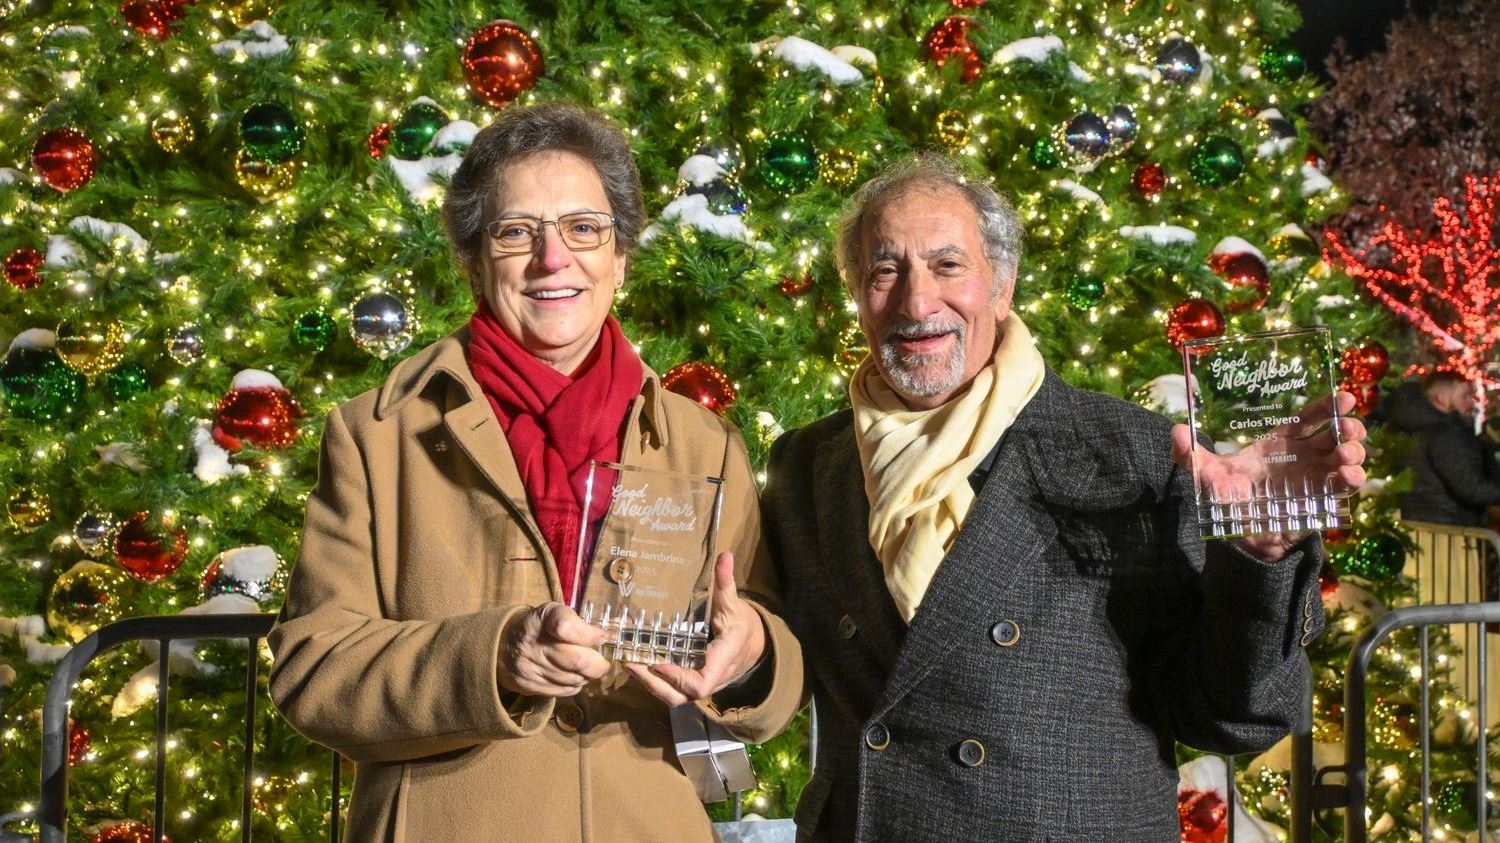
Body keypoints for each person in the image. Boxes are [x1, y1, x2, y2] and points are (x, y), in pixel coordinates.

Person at [757, 153, 1367, 841]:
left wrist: (1259, 547)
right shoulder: (807, 466)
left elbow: (1234, 713)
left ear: (1003, 285)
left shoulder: (1133, 454)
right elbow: (770, 665)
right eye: (884, 269)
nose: (916, 301)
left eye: (947, 265)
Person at [268, 102, 802, 843]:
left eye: (584, 229)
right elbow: (313, 669)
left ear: (619, 257)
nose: (554, 259)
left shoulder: (705, 443)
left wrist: (752, 655)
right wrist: (496, 657)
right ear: (474, 258)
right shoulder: (376, 434)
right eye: (517, 231)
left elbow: (770, 660)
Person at [1385, 370, 1500, 527]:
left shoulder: (1411, 427)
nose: (1471, 402)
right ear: (1441, 398)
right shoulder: (1444, 434)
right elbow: (1471, 488)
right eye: (1464, 396)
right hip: (1451, 529)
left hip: (1422, 529)